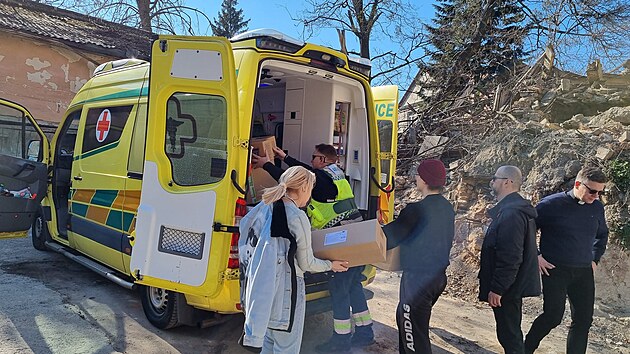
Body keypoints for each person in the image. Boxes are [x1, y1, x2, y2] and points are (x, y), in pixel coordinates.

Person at [252, 144, 373, 353]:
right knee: (353, 285)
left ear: (323, 161)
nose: (312, 161)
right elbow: (306, 173)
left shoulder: (318, 183)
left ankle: (341, 342)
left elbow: (293, 183)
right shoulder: (334, 174)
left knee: (339, 289)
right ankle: (365, 332)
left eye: (314, 157)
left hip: (340, 242)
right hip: (354, 238)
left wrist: (267, 164)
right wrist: (286, 157)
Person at [238, 166, 349, 354]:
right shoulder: (297, 216)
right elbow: (307, 264)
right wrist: (332, 265)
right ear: (304, 188)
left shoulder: (265, 205)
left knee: (268, 345)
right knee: (286, 349)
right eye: (311, 190)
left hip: (264, 294)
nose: (310, 197)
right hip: (287, 297)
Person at [524, 166, 609, 354]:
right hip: (555, 269)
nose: (596, 196)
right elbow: (526, 231)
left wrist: (595, 259)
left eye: (600, 192)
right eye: (592, 191)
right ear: (578, 184)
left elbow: (602, 235)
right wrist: (536, 256)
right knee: (553, 316)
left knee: (584, 321)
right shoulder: (550, 205)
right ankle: (525, 348)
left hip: (584, 272)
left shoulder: (597, 207)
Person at [381, 159, 455, 354]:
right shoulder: (447, 208)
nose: (415, 177)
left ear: (423, 179)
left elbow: (389, 238)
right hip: (437, 278)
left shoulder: (415, 210)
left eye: (417, 174)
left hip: (418, 280)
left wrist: (374, 230)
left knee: (414, 334)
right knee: (408, 321)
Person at [478, 166, 541, 354]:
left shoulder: (512, 213)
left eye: (495, 178)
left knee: (509, 336)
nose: (492, 182)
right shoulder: (514, 210)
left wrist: (498, 288)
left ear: (507, 182)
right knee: (510, 333)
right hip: (512, 285)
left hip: (508, 288)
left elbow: (511, 256)